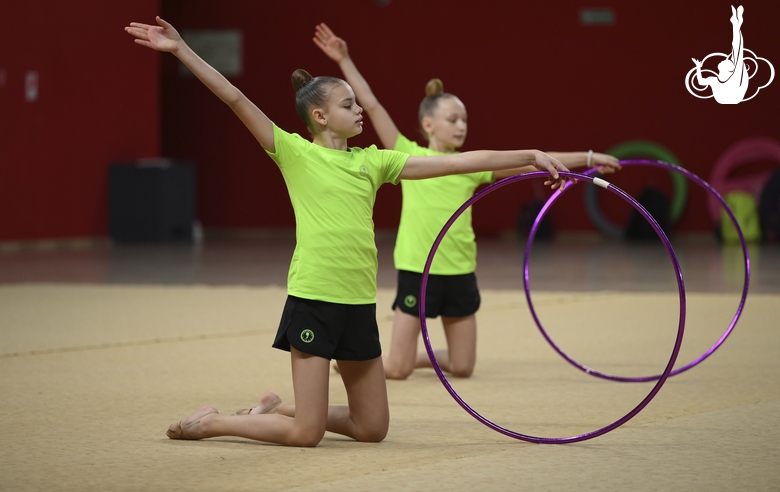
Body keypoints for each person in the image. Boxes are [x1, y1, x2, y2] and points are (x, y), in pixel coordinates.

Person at [125, 17, 569, 447]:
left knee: (372, 428)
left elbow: (454, 163)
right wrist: (181, 49)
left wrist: (529, 154)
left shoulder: (373, 161)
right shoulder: (293, 153)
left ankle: (275, 410)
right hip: (315, 299)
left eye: (358, 103)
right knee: (308, 434)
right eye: (349, 105)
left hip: (358, 303)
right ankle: (210, 424)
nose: (360, 111)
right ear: (319, 115)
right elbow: (236, 98)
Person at [314, 23, 620, 380]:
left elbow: (536, 160)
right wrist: (344, 58)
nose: (461, 126)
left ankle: (417, 354)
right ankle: (365, 360)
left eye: (464, 120)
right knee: (396, 369)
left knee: (463, 366)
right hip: (419, 270)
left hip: (460, 270)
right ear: (428, 124)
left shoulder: (474, 167)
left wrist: (587, 156)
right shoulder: (405, 154)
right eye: (452, 119)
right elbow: (372, 102)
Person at [692, 5, 747, 104]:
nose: (724, 59)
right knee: (737, 51)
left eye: (726, 61)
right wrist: (698, 67)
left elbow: (701, 82)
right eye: (727, 60)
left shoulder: (718, 79)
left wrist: (698, 67)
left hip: (730, 97)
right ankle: (736, 24)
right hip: (731, 97)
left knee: (737, 50)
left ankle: (736, 24)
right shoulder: (727, 78)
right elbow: (700, 82)